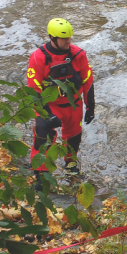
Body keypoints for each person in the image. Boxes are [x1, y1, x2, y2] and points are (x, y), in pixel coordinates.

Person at [26, 18, 95, 191]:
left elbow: (87, 80)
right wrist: (47, 113)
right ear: (52, 37)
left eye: (70, 38)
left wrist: (90, 106)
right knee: (43, 136)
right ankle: (41, 175)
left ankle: (71, 166)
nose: (68, 41)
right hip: (50, 104)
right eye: (64, 39)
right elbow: (34, 88)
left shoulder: (78, 54)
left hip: (73, 104)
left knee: (74, 136)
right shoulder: (39, 57)